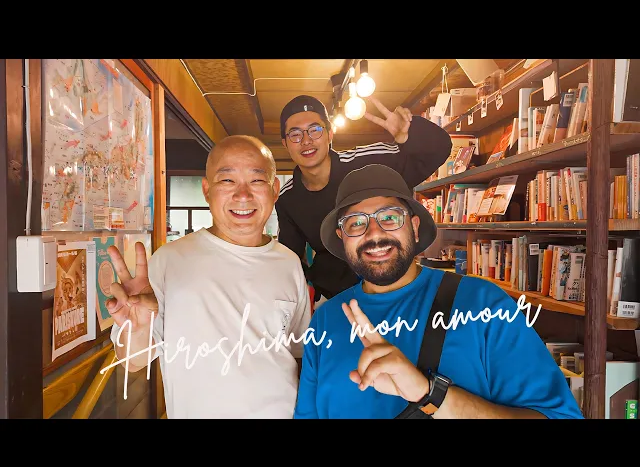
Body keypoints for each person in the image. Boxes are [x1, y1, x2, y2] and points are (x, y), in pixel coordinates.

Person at [293, 164, 584, 419]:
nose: (374, 234)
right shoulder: (326, 320)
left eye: (390, 217)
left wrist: (429, 393)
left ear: (414, 227)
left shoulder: (484, 305)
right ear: (342, 237)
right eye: (356, 223)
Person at [106, 135, 312, 419]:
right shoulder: (169, 261)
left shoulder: (289, 263)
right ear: (207, 190)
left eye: (256, 180)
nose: (243, 195)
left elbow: (297, 353)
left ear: (275, 189)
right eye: (227, 180)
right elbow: (134, 360)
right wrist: (138, 329)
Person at [275, 94, 452, 305]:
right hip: (334, 298)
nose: (306, 141)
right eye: (295, 134)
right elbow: (291, 257)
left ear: (330, 133)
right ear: (285, 143)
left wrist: (408, 135)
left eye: (315, 130)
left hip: (395, 290)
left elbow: (439, 149)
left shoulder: (368, 162)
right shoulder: (287, 197)